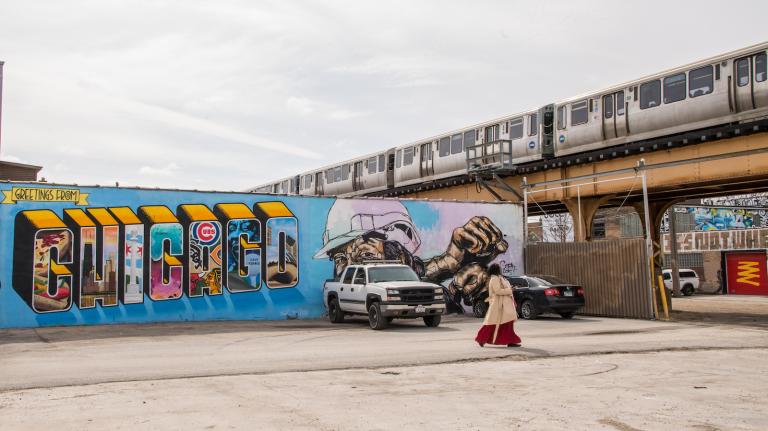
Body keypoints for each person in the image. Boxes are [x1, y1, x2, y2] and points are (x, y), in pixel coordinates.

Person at [475, 263, 521, 347]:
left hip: (504, 305)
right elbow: (498, 291)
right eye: (499, 268)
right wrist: (510, 290)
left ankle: (510, 341)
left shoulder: (499, 278)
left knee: (507, 323)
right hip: (499, 305)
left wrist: (510, 289)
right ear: (496, 270)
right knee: (492, 323)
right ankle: (481, 339)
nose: (500, 269)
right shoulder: (494, 279)